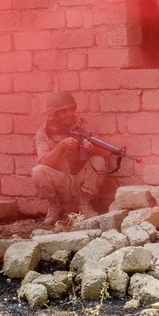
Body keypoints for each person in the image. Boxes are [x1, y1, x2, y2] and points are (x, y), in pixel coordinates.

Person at [31, 92, 116, 226]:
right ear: (53, 114)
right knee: (38, 171)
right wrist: (60, 147)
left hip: (83, 181)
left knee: (98, 160)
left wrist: (92, 149)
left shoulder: (83, 127)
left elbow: (105, 154)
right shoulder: (43, 133)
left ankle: (85, 205)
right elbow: (44, 162)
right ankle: (55, 207)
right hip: (61, 181)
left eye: (72, 109)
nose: (70, 114)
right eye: (63, 111)